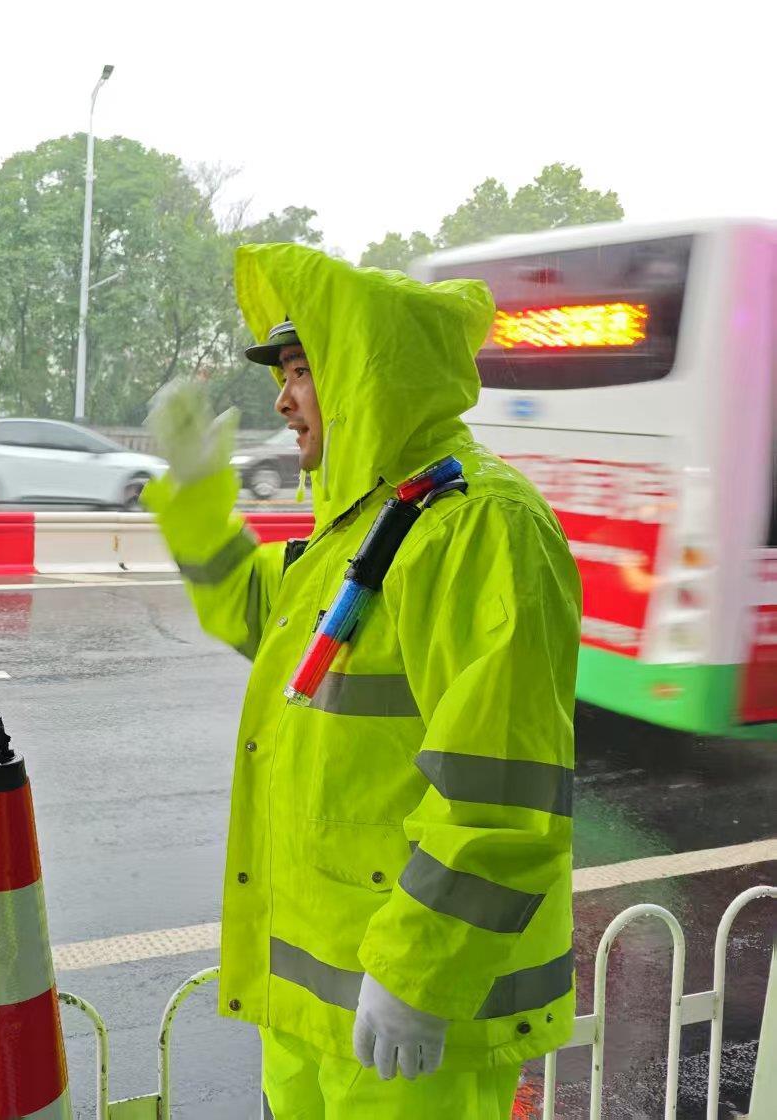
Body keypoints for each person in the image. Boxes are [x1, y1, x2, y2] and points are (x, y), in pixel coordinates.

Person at [144, 243, 581, 1118]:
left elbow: (501, 797)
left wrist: (420, 972)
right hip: (317, 1013)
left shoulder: (478, 529)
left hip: (414, 1024)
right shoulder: (365, 527)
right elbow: (247, 604)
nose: (282, 397)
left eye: (303, 370)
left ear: (364, 378)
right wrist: (195, 494)